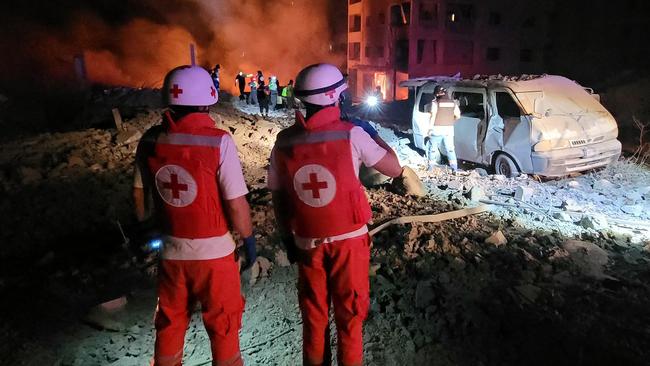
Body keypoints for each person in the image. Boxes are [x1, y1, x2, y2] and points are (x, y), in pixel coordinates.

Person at [268, 63, 403, 366]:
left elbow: (278, 195)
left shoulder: (284, 140)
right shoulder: (352, 134)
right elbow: (395, 169)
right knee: (350, 319)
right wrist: (373, 135)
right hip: (349, 244)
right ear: (335, 97)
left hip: (306, 243)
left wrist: (286, 237)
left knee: (314, 318)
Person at [132, 65, 256, 366]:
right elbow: (236, 204)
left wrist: (144, 228)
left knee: (170, 322)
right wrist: (249, 240)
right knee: (224, 323)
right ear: (207, 99)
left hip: (172, 252)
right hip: (215, 257)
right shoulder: (219, 141)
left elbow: (139, 194)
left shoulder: (149, 140)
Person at [427, 85, 461, 171]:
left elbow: (433, 116)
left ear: (437, 94)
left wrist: (430, 129)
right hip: (449, 130)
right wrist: (450, 121)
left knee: (433, 149)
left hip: (436, 129)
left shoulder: (435, 103)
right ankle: (454, 169)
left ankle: (430, 168)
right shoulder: (453, 103)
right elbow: (458, 116)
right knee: (450, 149)